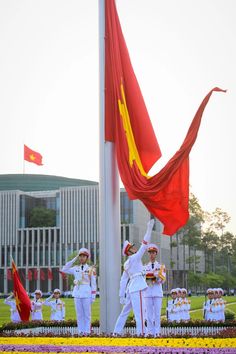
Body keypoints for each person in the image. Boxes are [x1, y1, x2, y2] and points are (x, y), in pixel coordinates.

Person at [114, 219, 155, 336]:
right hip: (138, 286)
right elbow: (145, 244)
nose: (134, 248)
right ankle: (142, 334)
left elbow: (123, 280)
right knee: (141, 313)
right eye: (132, 247)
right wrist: (149, 229)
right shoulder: (135, 258)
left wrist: (121, 294)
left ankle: (116, 333)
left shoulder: (127, 263)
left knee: (124, 313)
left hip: (131, 288)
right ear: (129, 251)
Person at [61, 248, 96, 334]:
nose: (81, 258)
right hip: (77, 293)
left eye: (83, 256)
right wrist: (74, 259)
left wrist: (93, 296)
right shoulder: (75, 268)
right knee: (79, 315)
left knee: (87, 315)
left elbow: (94, 284)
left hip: (87, 293)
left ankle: (87, 332)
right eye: (80, 256)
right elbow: (64, 269)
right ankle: (81, 332)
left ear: (87, 258)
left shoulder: (91, 269)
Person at [143, 243, 166, 336]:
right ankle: (150, 332)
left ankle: (157, 332)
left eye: (153, 252)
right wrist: (155, 277)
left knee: (157, 314)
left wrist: (153, 277)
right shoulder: (145, 267)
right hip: (148, 293)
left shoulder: (161, 267)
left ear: (156, 254)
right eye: (150, 253)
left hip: (157, 292)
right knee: (148, 314)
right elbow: (145, 280)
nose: (151, 254)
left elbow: (162, 279)